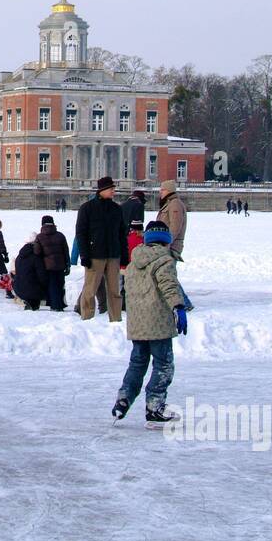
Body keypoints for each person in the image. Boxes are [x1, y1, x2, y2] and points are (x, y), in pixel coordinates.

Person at [111, 220, 187, 424]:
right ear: (165, 240)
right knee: (163, 365)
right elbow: (169, 287)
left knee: (137, 363)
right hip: (158, 323)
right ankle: (155, 406)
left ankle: (123, 399)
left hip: (137, 322)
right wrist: (178, 307)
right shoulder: (164, 260)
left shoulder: (135, 261)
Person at [75, 176, 127, 321]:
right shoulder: (87, 208)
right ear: (102, 190)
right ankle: (87, 318)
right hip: (94, 256)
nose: (113, 192)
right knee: (90, 290)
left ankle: (116, 319)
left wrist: (124, 255)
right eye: (111, 189)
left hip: (113, 256)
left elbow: (122, 234)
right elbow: (81, 233)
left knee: (114, 291)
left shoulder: (117, 209)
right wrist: (84, 255)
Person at [33, 214, 71, 311]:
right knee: (60, 284)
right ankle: (61, 304)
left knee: (52, 285)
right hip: (61, 265)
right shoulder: (60, 235)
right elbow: (66, 251)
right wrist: (68, 265)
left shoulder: (39, 237)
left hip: (48, 266)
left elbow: (37, 252)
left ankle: (55, 305)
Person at [12, 234, 47, 310]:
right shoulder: (36, 257)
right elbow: (42, 276)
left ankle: (29, 302)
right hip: (32, 290)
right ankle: (33, 303)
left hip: (18, 289)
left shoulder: (19, 256)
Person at [157, 180, 189, 259]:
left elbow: (175, 227)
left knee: (167, 271)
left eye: (163, 190)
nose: (160, 192)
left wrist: (166, 243)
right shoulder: (168, 203)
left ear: (169, 191)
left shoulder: (175, 204)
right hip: (165, 246)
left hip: (171, 247)